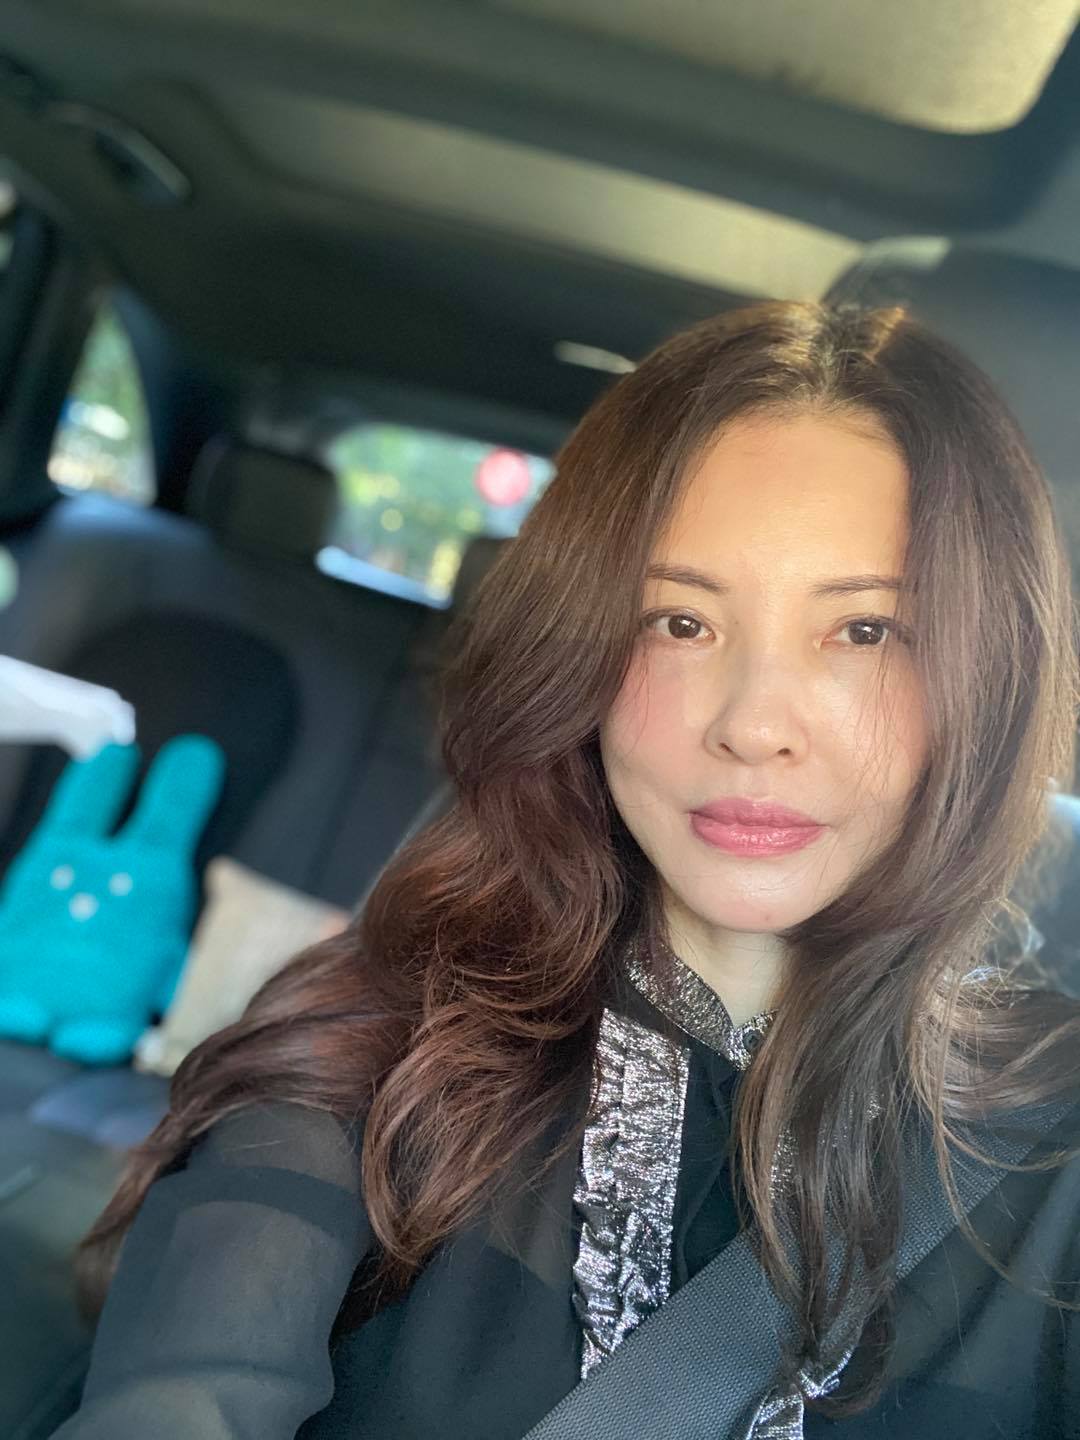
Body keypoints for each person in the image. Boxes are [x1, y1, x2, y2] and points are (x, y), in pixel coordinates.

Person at [53, 302, 1080, 1439]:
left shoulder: (1057, 1141)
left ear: (991, 670)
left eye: (866, 632)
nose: (753, 726)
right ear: (578, 652)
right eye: (679, 623)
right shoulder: (383, 1057)